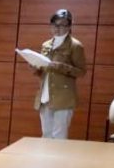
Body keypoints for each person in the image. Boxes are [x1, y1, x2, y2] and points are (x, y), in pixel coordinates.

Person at [34, 8, 86, 139]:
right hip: (45, 95)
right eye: (54, 25)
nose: (57, 28)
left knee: (59, 136)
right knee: (46, 134)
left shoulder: (75, 46)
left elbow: (81, 72)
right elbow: (43, 72)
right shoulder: (46, 45)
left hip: (63, 97)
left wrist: (61, 67)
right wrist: (35, 66)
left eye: (62, 25)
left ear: (69, 26)